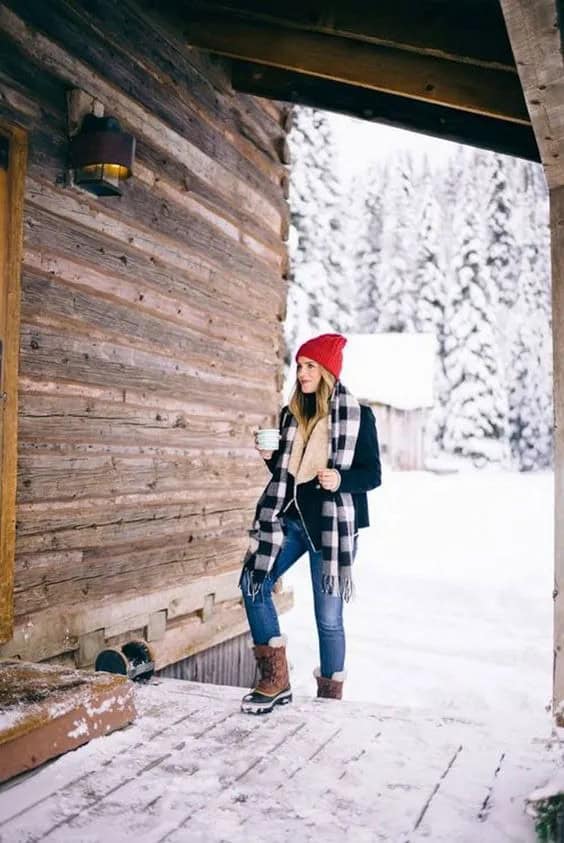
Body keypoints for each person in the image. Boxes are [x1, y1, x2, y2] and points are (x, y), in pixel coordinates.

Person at [239, 333, 382, 714]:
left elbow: (372, 474)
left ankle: (330, 697)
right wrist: (270, 456)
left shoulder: (358, 416)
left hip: (330, 528)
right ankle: (275, 679)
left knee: (328, 618)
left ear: (327, 372)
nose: (301, 373)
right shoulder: (291, 414)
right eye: (299, 366)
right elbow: (288, 473)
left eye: (309, 366)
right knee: (253, 582)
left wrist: (342, 481)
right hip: (290, 521)